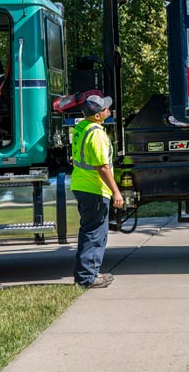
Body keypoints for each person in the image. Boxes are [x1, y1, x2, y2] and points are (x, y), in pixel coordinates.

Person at [71, 94, 124, 288]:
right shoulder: (96, 134)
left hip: (82, 185)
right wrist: (116, 192)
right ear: (97, 116)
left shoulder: (81, 127)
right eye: (105, 109)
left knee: (91, 231)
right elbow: (103, 167)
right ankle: (87, 278)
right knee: (94, 233)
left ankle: (89, 273)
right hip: (94, 188)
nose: (108, 110)